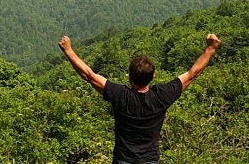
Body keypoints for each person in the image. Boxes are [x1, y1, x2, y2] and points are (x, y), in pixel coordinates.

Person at [58, 33, 221, 164]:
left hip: (123, 160)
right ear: (153, 77)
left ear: (130, 78)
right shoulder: (161, 96)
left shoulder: (121, 96)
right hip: (149, 160)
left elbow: (89, 76)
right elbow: (193, 74)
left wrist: (69, 51)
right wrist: (211, 48)